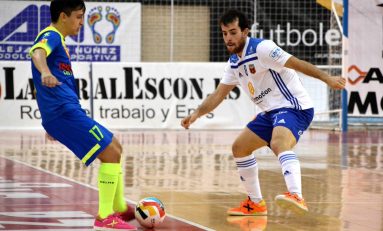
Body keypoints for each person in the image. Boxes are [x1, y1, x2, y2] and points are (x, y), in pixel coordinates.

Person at [181, 9, 346, 215]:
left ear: (245, 31)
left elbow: (297, 63)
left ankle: (296, 195)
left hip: (294, 107)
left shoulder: (263, 49)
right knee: (239, 148)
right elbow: (218, 95)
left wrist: (327, 78)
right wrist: (196, 114)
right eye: (224, 33)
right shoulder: (233, 63)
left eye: (233, 32)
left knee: (279, 143)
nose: (228, 38)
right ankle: (256, 203)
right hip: (271, 112)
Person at [29, 0, 136, 230]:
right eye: (78, 16)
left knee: (115, 147)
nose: (81, 22)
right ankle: (104, 217)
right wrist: (46, 71)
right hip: (64, 113)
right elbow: (37, 54)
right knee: (109, 153)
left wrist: (48, 120)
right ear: (63, 16)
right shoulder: (51, 36)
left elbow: (38, 86)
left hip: (64, 112)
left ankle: (118, 206)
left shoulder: (60, 41)